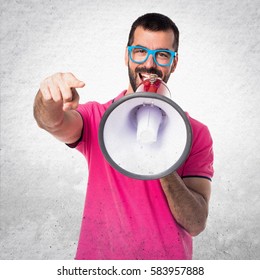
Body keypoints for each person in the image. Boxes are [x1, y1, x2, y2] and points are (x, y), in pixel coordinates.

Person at [33, 13, 214, 260]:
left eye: (162, 54)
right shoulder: (99, 118)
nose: (150, 64)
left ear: (174, 63)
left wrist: (162, 160)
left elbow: (195, 223)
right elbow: (51, 122)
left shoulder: (196, 133)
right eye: (140, 51)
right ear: (127, 55)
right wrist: (49, 96)